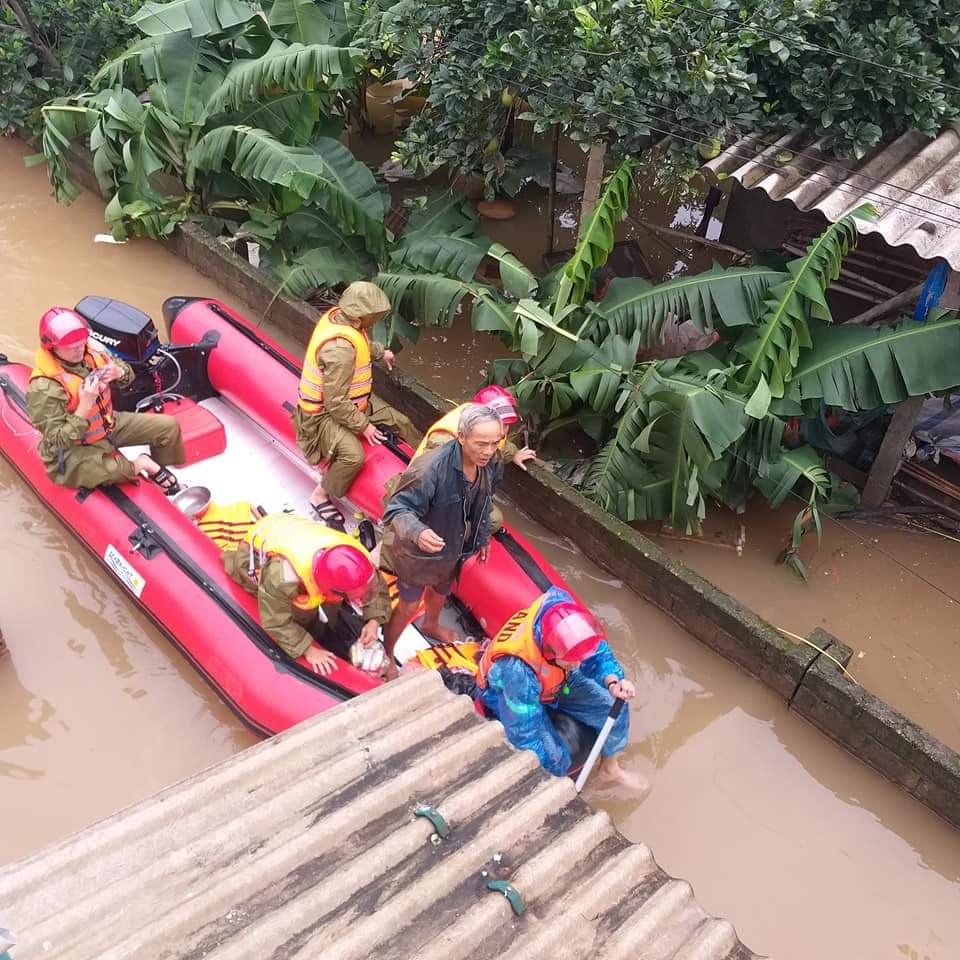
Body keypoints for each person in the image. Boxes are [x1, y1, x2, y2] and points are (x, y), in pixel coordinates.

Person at [475, 586, 642, 789]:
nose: (578, 664)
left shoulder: (562, 610)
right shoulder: (518, 669)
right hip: (506, 690)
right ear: (552, 652)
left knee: (615, 705)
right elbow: (525, 734)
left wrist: (613, 682)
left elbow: (595, 654)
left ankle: (610, 769)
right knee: (552, 759)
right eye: (572, 661)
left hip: (553, 677)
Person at [380, 403, 504, 675]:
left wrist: (482, 536)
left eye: (495, 443)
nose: (488, 451)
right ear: (461, 437)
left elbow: (484, 500)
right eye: (481, 443)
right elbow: (396, 509)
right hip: (418, 551)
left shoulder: (491, 463)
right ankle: (387, 651)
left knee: (442, 588)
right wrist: (418, 531)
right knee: (410, 603)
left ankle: (432, 623)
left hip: (453, 543)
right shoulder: (430, 469)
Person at [293, 281, 413, 531]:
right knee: (353, 456)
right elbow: (334, 402)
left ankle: (414, 472)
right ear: (363, 314)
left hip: (354, 403)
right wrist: (364, 426)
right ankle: (321, 493)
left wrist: (381, 353)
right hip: (322, 415)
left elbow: (361, 344)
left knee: (401, 422)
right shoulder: (339, 351)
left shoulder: (344, 318)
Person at [26, 307, 184, 490]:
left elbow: (127, 373)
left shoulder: (92, 351)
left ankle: (165, 475)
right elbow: (58, 440)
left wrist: (119, 372)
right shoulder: (44, 388)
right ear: (52, 347)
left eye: (81, 343)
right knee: (98, 470)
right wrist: (84, 406)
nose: (79, 349)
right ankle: (141, 464)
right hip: (74, 448)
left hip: (108, 424)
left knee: (168, 427)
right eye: (72, 347)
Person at [221, 511, 391, 675]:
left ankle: (329, 628)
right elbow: (275, 620)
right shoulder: (283, 576)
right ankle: (315, 630)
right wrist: (308, 649)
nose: (359, 600)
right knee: (302, 613)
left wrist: (374, 620)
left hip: (298, 533)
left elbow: (374, 584)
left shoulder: (356, 559)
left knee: (333, 605)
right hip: (263, 545)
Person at [385, 385, 536, 532]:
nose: (503, 430)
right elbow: (425, 479)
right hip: (432, 488)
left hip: (460, 485)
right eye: (501, 424)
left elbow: (501, 446)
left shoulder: (491, 428)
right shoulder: (445, 440)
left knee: (493, 520)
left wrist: (515, 454)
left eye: (506, 425)